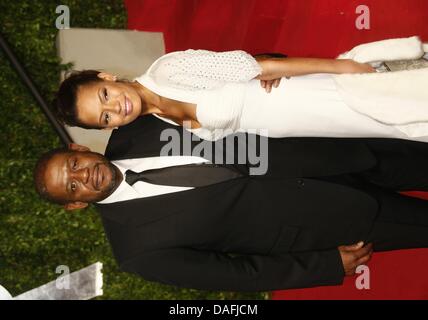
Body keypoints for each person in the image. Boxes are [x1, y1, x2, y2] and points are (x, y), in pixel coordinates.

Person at [34, 115, 428, 291]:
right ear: (76, 205)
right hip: (325, 222)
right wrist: (321, 266)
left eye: (73, 165)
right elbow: (236, 275)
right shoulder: (136, 252)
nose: (83, 177)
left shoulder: (139, 126)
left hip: (323, 152)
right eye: (72, 187)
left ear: (79, 148)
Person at [54, 44, 425, 141]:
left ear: (107, 77)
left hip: (303, 97)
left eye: (104, 95)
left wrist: (339, 66)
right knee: (391, 126)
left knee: (396, 102)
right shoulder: (167, 121)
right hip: (303, 125)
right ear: (108, 128)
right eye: (105, 116)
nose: (116, 107)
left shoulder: (168, 69)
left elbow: (260, 68)